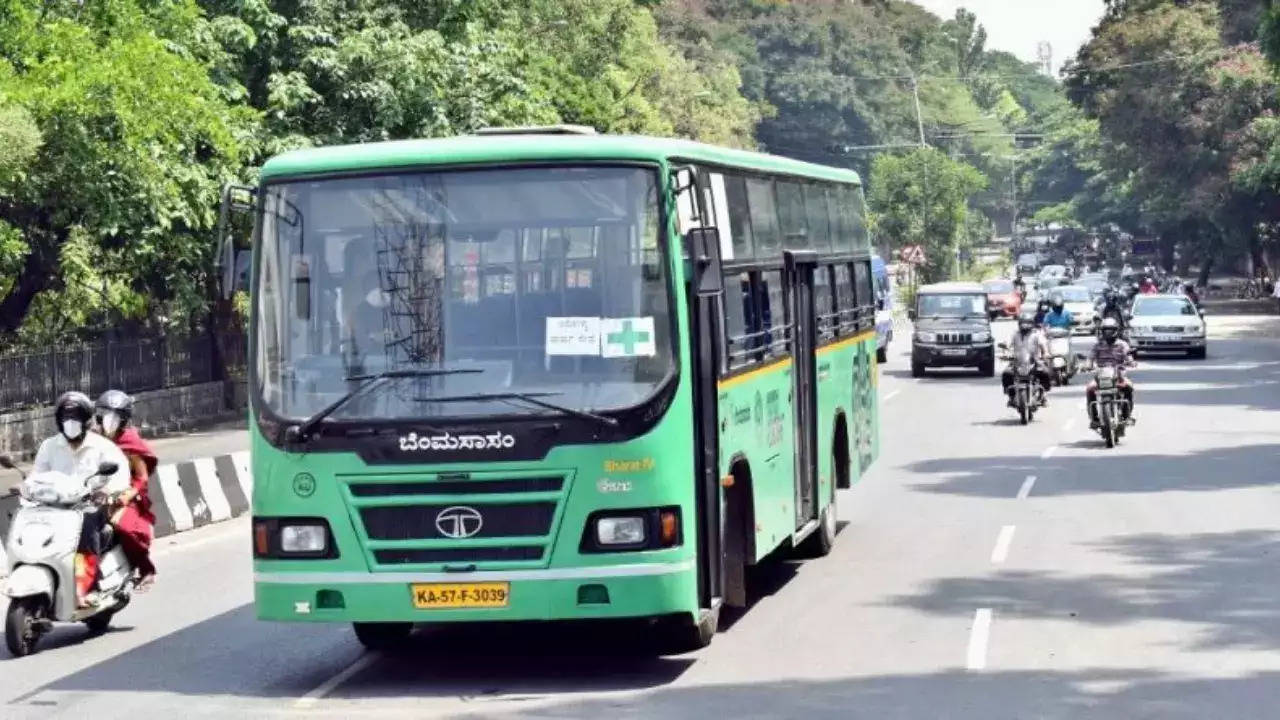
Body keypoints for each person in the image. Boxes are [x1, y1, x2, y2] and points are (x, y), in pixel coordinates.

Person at [32, 392, 130, 606]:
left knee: (86, 522)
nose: (70, 423)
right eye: (66, 417)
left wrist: (109, 491)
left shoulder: (101, 446)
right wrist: (27, 488)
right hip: (56, 508)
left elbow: (121, 473)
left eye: (75, 417)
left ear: (86, 419)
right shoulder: (49, 446)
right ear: (59, 420)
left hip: (90, 508)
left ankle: (90, 586)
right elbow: (36, 477)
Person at [95, 390, 157, 590]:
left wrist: (127, 494)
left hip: (124, 494)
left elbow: (142, 477)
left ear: (123, 420)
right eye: (105, 415)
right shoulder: (93, 439)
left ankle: (145, 568)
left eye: (114, 417)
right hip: (96, 492)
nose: (108, 421)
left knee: (124, 526)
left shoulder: (130, 442)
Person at [1086, 318, 1136, 429]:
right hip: (1101, 376)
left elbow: (1128, 356)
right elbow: (1090, 357)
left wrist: (1131, 362)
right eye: (1106, 330)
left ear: (1116, 331)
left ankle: (1126, 415)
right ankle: (1094, 419)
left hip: (1118, 376)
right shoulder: (1098, 345)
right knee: (1090, 389)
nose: (1108, 333)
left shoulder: (1122, 344)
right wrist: (1087, 365)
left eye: (1110, 330)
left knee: (1129, 387)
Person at [1002, 316, 1052, 408]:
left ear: (1032, 324)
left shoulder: (1036, 334)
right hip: (1017, 361)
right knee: (1006, 373)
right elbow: (1007, 344)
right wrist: (1005, 352)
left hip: (1034, 361)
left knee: (1045, 372)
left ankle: (1043, 395)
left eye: (1027, 323)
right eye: (1023, 323)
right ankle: (1010, 395)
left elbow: (1043, 344)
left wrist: (1046, 353)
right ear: (1019, 324)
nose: (1025, 326)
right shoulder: (1015, 334)